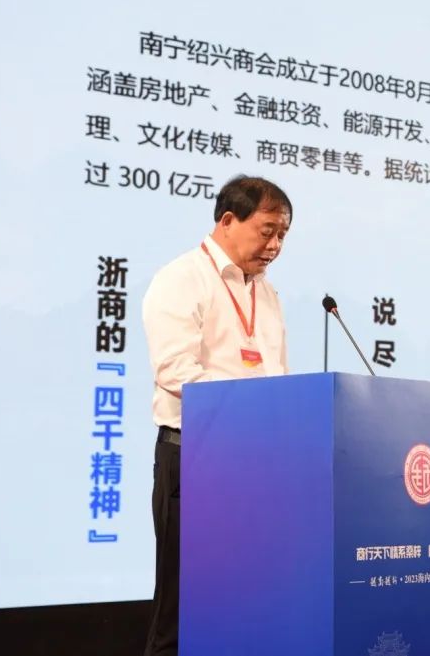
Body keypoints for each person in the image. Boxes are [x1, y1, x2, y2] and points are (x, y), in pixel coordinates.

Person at [141, 175, 293, 655]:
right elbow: (175, 371)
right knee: (180, 610)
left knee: (241, 602)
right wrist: (251, 410)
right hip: (195, 459)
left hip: (255, 464)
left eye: (283, 235)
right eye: (267, 231)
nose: (275, 245)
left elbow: (276, 377)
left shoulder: (266, 294)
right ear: (228, 220)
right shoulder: (182, 278)